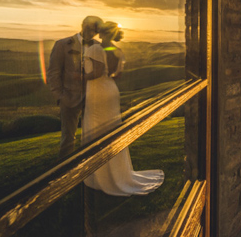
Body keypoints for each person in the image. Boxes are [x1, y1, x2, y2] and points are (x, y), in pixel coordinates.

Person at [82, 22, 164, 196]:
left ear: (101, 33)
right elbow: (116, 75)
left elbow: (95, 73)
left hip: (97, 91)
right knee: (111, 129)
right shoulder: (118, 52)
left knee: (95, 130)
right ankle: (118, 174)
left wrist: (77, 76)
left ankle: (99, 177)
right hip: (110, 89)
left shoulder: (94, 49)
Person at [47, 15, 103, 158]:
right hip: (69, 98)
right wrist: (60, 96)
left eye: (95, 30)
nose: (92, 32)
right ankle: (64, 173)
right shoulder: (62, 45)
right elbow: (54, 72)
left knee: (92, 136)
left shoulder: (98, 46)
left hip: (93, 98)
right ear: (83, 25)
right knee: (68, 139)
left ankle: (89, 170)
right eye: (90, 27)